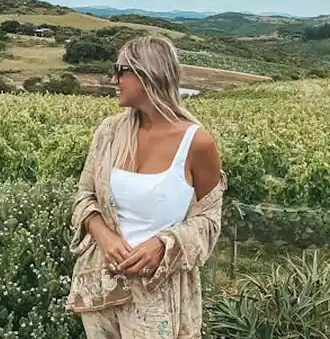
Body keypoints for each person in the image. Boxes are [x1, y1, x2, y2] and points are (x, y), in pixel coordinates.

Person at [67, 35, 226, 338]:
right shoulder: (109, 133)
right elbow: (84, 196)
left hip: (157, 296)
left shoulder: (197, 143)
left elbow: (209, 221)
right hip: (103, 288)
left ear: (149, 73)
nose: (115, 79)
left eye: (121, 70)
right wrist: (105, 237)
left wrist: (162, 245)